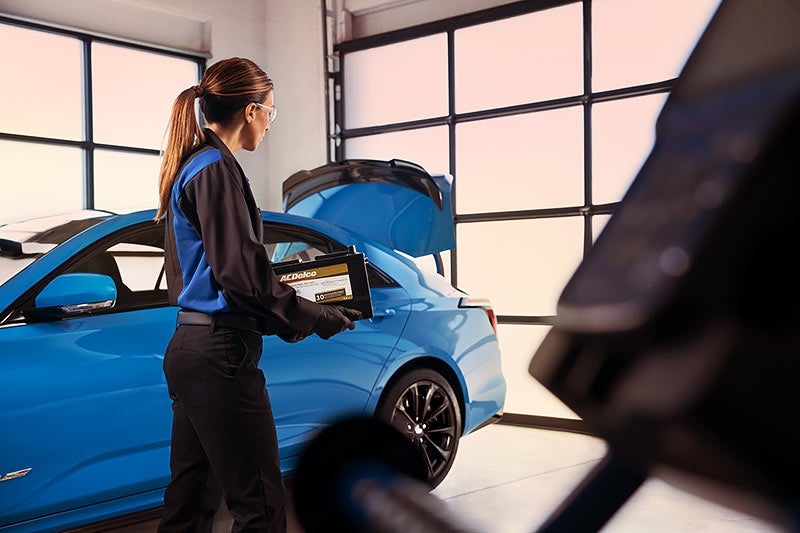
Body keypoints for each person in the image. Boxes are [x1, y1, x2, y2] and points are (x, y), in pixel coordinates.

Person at [154, 57, 362, 533]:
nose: (270, 123)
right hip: (219, 356)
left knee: (188, 504)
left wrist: (288, 316)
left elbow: (229, 276)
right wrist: (313, 317)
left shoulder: (195, 165)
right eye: (271, 111)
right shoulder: (214, 170)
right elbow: (241, 277)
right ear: (250, 110)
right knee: (261, 508)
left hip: (193, 347)